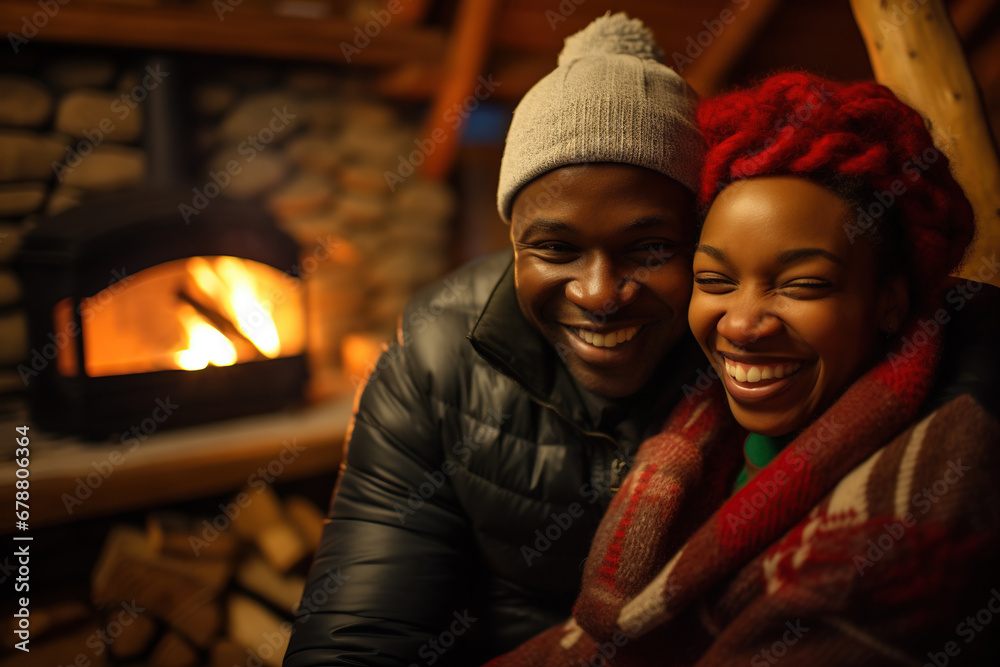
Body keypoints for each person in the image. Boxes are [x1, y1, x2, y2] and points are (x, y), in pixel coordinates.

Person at [486, 72, 1000, 666]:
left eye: (802, 285)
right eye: (714, 281)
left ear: (891, 300)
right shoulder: (699, 435)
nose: (740, 324)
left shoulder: (925, 498)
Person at [283, 14, 707, 666]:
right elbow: (359, 633)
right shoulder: (437, 356)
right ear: (512, 243)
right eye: (557, 248)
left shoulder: (744, 355)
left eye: (649, 247)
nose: (598, 293)